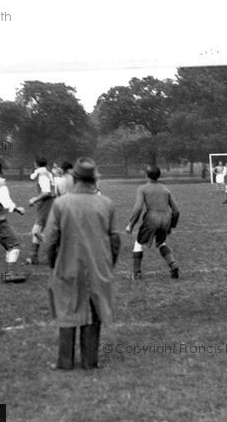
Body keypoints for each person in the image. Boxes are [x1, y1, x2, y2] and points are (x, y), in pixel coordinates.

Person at [40, 158, 120, 369]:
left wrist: (53, 263)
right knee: (94, 314)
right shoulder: (106, 203)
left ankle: (64, 362)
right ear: (94, 179)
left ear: (74, 178)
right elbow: (115, 240)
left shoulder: (61, 203)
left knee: (67, 312)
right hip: (98, 267)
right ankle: (89, 361)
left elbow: (49, 240)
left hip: (68, 264)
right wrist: (109, 264)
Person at [126, 165, 181, 280]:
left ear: (146, 175)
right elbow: (176, 211)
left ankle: (136, 273)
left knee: (138, 243)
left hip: (152, 218)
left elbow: (138, 208)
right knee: (161, 243)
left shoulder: (143, 188)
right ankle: (173, 264)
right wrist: (172, 225)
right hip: (166, 218)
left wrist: (131, 224)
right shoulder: (165, 189)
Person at [26, 157, 56, 265]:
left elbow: (46, 192)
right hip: (48, 202)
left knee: (37, 230)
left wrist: (35, 199)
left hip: (47, 203)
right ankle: (34, 256)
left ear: (35, 164)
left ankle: (58, 252)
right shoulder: (46, 173)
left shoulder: (42, 175)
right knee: (39, 230)